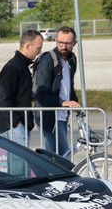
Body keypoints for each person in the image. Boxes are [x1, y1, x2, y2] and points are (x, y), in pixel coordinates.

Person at [33, 26, 81, 158]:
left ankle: (45, 178)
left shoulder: (72, 60)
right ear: (55, 41)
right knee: (64, 158)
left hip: (62, 116)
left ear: (74, 43)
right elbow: (41, 94)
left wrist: (75, 103)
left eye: (67, 43)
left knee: (52, 159)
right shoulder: (48, 60)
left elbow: (68, 86)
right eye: (60, 42)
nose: (63, 46)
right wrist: (63, 103)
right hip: (49, 117)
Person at [0, 29, 44, 147]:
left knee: (21, 164)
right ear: (27, 46)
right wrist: (16, 123)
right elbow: (2, 98)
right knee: (18, 164)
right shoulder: (13, 67)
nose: (40, 52)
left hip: (19, 126)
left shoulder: (22, 66)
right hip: (15, 127)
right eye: (38, 48)